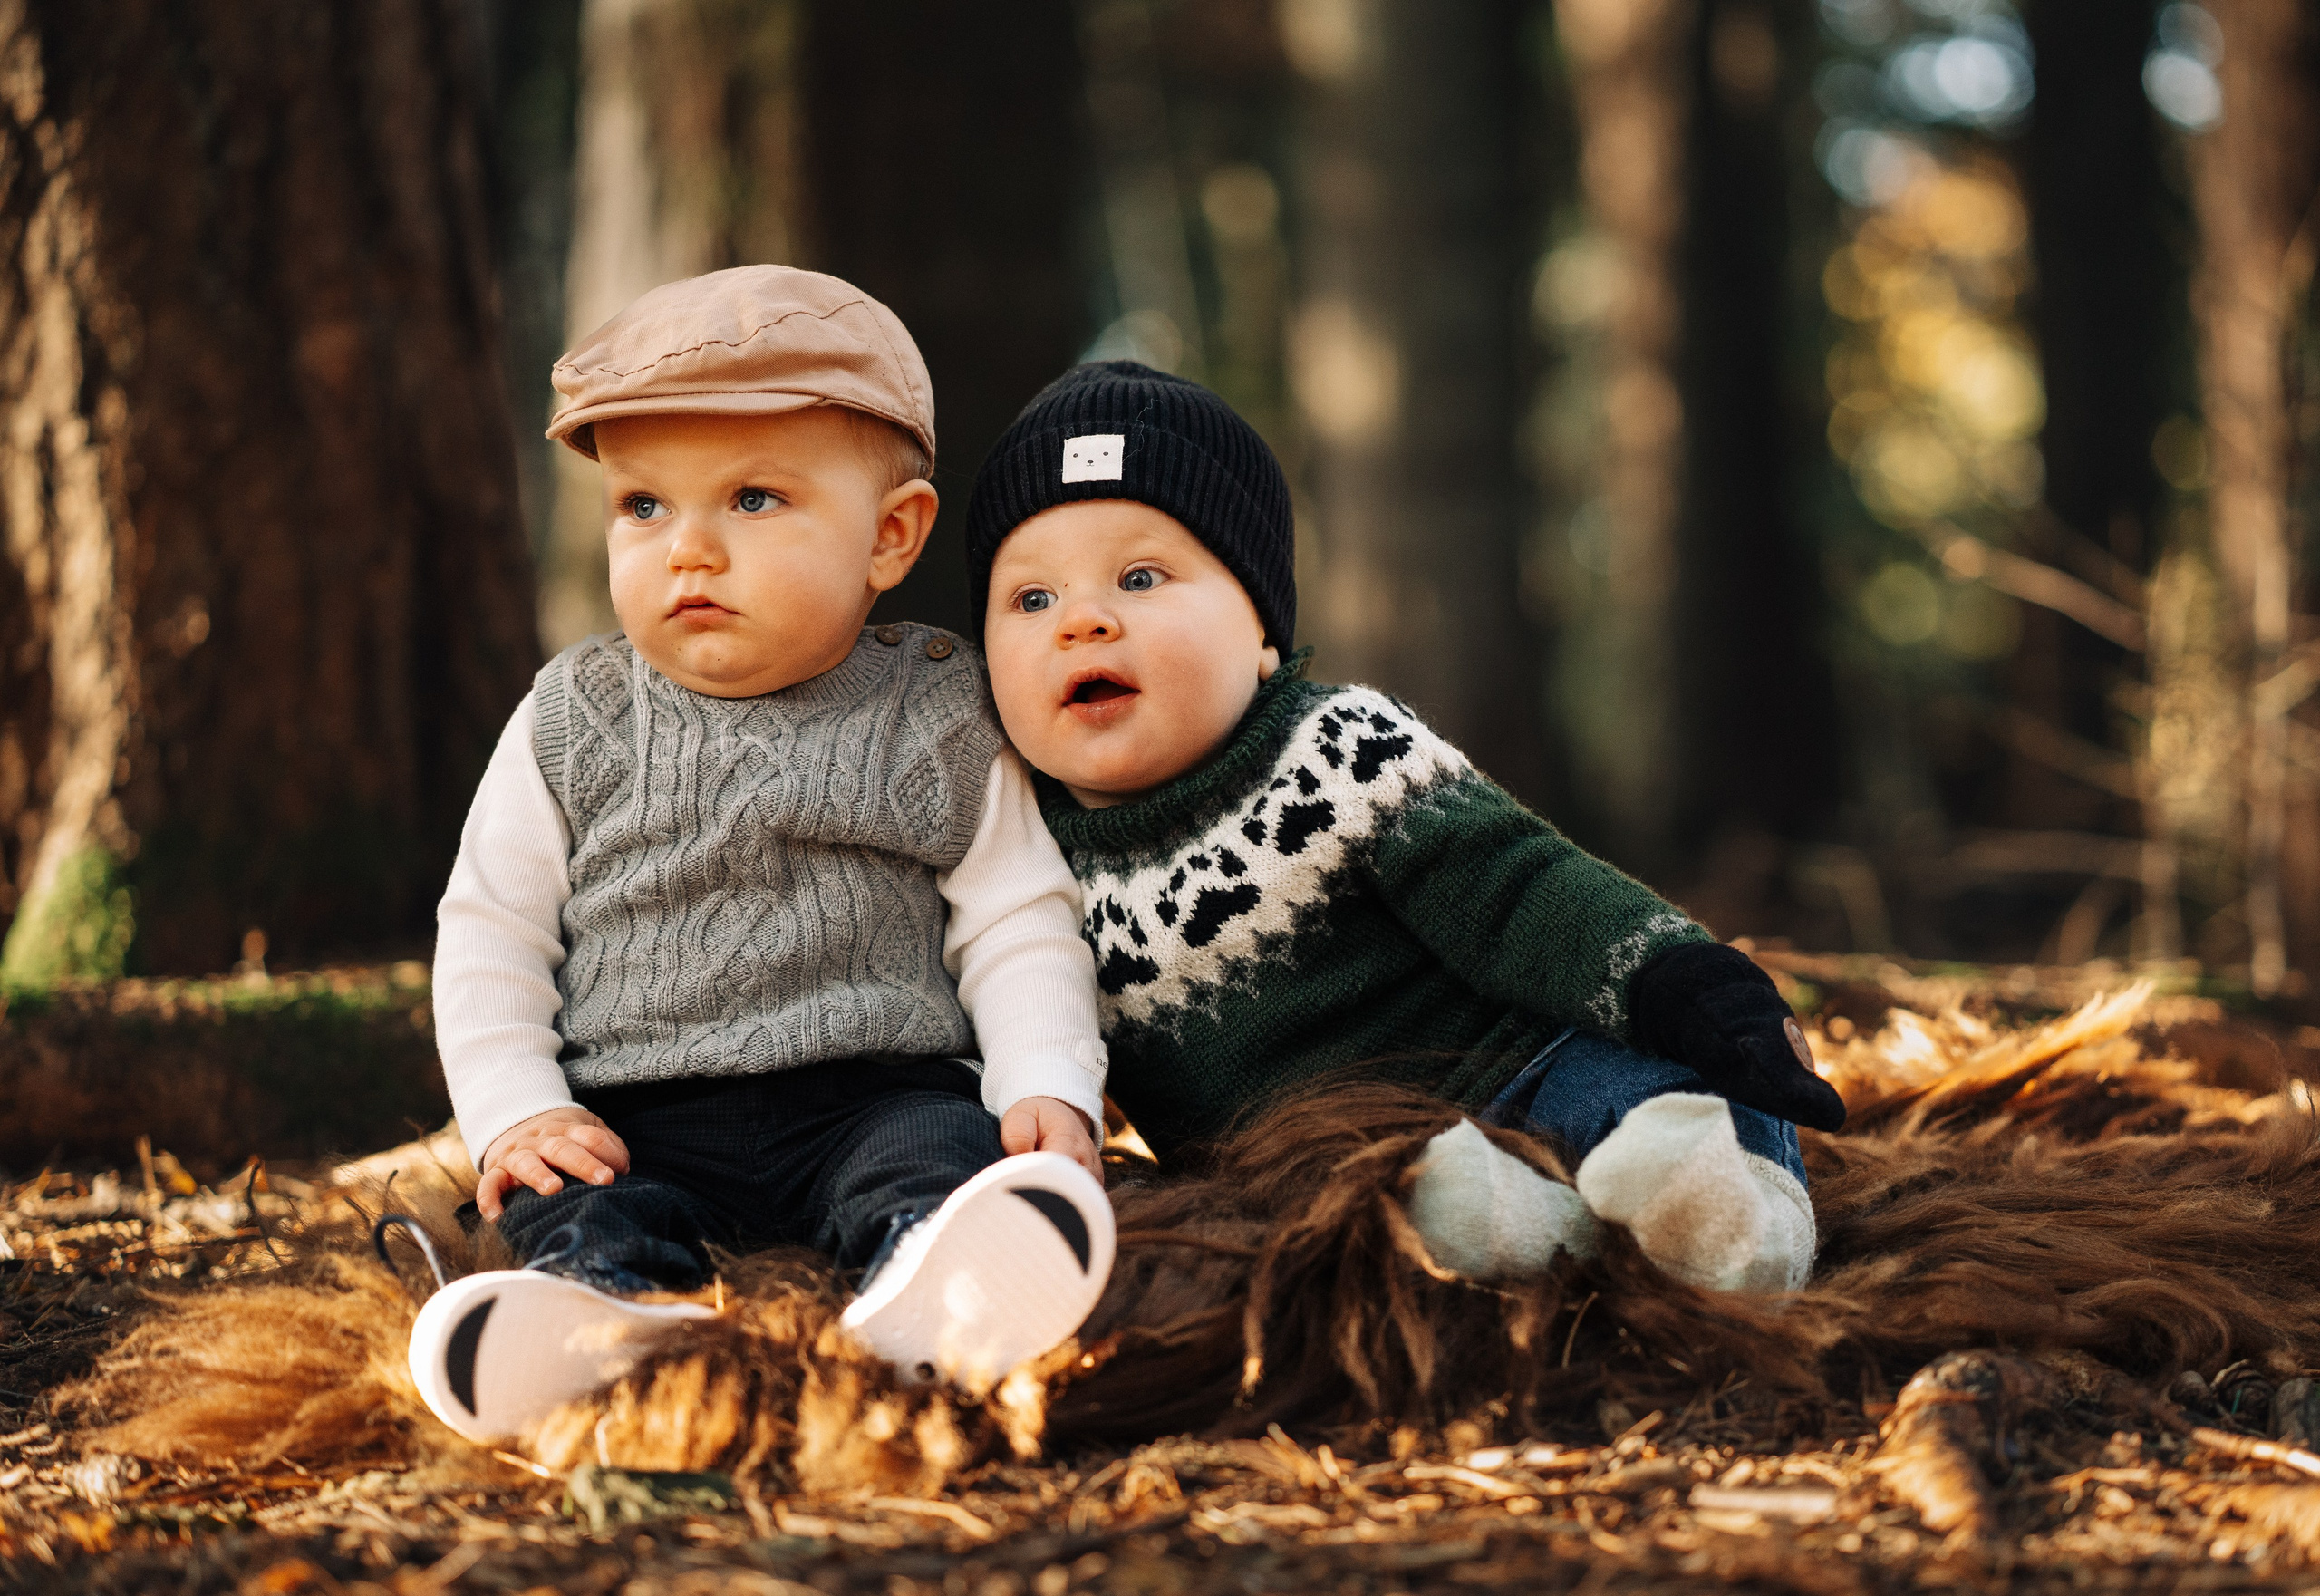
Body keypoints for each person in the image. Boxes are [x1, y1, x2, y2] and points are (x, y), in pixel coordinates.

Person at [409, 267, 1116, 1445]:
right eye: (643, 507)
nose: (688, 551)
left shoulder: (935, 710)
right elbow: (492, 927)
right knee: (578, 1201)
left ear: (891, 536)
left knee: (936, 1165)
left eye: (751, 499)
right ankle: (603, 1313)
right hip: (636, 1109)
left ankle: (938, 1292)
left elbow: (1017, 917)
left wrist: (1047, 1082)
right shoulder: (575, 714)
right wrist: (515, 1112)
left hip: (875, 1092)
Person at [962, 360, 1846, 1296]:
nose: (1083, 621)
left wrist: (1672, 974)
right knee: (1377, 1225)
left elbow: (1515, 886)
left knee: (1656, 1092)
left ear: (1260, 632)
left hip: (1522, 1070)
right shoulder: (1015, 860)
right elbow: (1016, 1022)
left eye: (1140, 577)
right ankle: (1525, 1233)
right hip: (1344, 1178)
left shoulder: (1335, 751)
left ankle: (1734, 1221)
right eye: (1031, 599)